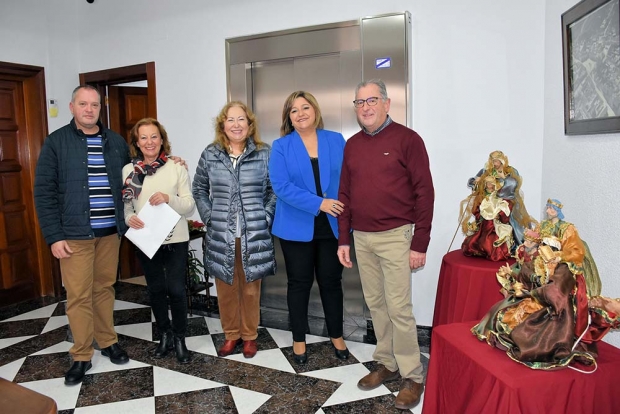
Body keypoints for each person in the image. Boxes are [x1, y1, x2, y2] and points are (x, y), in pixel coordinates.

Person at [337, 79, 434, 410]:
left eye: (372, 100)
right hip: (361, 239)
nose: (365, 107)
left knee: (399, 308)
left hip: (396, 237)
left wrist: (420, 242)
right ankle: (387, 362)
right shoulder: (352, 146)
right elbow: (345, 195)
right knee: (376, 304)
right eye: (359, 102)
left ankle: (413, 375)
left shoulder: (408, 140)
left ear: (387, 103)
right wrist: (344, 238)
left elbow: (425, 192)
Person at [34, 85, 131, 385]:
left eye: (95, 105)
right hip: (74, 236)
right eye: (83, 104)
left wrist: (171, 162)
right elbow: (44, 192)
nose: (89, 109)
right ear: (72, 107)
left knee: (104, 289)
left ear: (101, 108)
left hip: (109, 233)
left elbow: (134, 179)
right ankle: (81, 355)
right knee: (78, 296)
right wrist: (54, 236)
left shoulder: (115, 142)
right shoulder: (56, 142)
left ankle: (108, 340)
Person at [472, 199, 616, 370]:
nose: (549, 210)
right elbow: (529, 273)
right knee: (501, 314)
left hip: (555, 311)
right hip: (537, 297)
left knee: (528, 334)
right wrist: (517, 279)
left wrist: (557, 260)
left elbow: (556, 292)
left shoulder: (565, 246)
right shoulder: (540, 248)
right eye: (548, 207)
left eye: (552, 208)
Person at [269, 91, 349, 365]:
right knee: (299, 284)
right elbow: (281, 187)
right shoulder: (281, 146)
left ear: (315, 111)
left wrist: (335, 208)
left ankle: (336, 336)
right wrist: (320, 203)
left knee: (331, 283)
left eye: (305, 107)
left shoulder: (336, 140)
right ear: (288, 118)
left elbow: (349, 180)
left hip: (332, 225)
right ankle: (299, 339)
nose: (300, 113)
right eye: (293, 110)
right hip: (295, 226)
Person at [193, 101, 276, 359]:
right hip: (221, 235)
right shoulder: (211, 154)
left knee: (251, 288)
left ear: (250, 125)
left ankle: (249, 337)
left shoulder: (265, 153)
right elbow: (199, 189)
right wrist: (210, 217)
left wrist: (265, 216)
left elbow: (274, 191)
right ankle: (231, 335)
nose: (236, 125)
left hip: (254, 235)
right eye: (231, 120)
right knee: (226, 288)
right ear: (223, 125)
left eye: (241, 120)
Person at [122, 118, 195, 363]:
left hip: (176, 238)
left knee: (175, 289)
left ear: (162, 140)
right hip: (146, 239)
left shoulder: (176, 167)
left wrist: (168, 198)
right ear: (137, 143)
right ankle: (164, 334)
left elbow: (188, 205)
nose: (149, 142)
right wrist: (129, 218)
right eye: (144, 137)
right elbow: (128, 206)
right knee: (155, 290)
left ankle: (180, 338)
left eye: (154, 136)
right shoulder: (128, 171)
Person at [466, 150, 535, 245]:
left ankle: (517, 245)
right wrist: (477, 182)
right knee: (490, 226)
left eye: (497, 161)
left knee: (516, 225)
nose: (495, 163)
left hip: (510, 202)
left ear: (502, 160)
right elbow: (473, 181)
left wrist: (503, 177)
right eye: (493, 161)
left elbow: (515, 184)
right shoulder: (487, 171)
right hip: (494, 202)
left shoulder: (512, 171)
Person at [461, 175, 513, 261]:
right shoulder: (481, 196)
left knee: (493, 238)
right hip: (484, 222)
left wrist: (499, 215)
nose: (489, 185)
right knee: (478, 239)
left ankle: (493, 251)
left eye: (491, 183)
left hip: (494, 223)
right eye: (488, 183)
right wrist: (481, 215)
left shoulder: (498, 195)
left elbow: (506, 206)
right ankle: (481, 249)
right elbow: (475, 209)